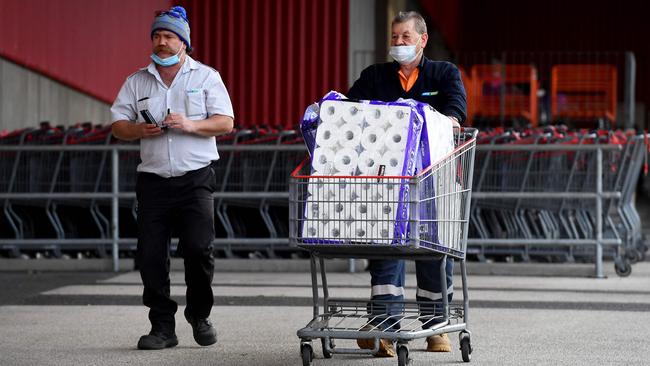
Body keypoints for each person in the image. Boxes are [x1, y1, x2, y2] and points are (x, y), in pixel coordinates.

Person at [110, 6, 234, 350]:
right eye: (156, 36)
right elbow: (118, 124)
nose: (161, 42)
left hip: (195, 179)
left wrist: (191, 124)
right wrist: (138, 129)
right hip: (153, 182)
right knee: (150, 255)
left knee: (198, 249)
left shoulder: (206, 77)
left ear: (184, 42)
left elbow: (226, 121)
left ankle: (199, 314)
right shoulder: (137, 80)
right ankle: (162, 326)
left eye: (168, 36)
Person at [347, 11, 467, 357]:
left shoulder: (443, 73)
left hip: (434, 178)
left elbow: (456, 110)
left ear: (422, 40)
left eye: (405, 37)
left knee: (431, 250)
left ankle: (435, 325)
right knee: (387, 248)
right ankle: (386, 322)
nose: (398, 43)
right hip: (387, 181)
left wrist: (443, 121)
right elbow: (352, 111)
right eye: (394, 37)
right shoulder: (375, 76)